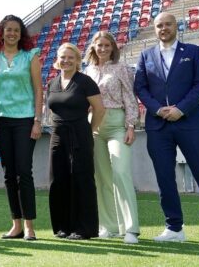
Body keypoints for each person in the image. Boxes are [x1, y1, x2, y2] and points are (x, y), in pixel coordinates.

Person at [134, 12, 199, 242]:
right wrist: (158, 109)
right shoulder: (146, 55)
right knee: (164, 177)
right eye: (159, 25)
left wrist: (181, 109)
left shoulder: (193, 52)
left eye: (168, 24)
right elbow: (140, 88)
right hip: (158, 126)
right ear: (155, 29)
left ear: (176, 26)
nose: (163, 28)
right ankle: (174, 228)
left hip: (189, 122)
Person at [0, 15, 42, 241]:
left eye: (16, 30)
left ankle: (29, 226)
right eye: (8, 29)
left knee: (24, 172)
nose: (12, 33)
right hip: (0, 121)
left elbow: (38, 90)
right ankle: (15, 225)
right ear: (2, 32)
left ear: (21, 33)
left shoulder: (30, 56)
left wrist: (37, 120)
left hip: (25, 119)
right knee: (9, 174)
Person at [84, 31, 140, 244]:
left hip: (117, 123)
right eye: (99, 45)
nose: (103, 49)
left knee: (121, 172)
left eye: (107, 45)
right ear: (93, 48)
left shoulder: (122, 68)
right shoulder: (87, 71)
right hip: (93, 125)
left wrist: (131, 126)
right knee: (102, 178)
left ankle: (131, 229)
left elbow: (129, 98)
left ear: (113, 47)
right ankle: (108, 226)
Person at [46, 42, 105, 240]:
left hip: (80, 134)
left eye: (71, 57)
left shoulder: (85, 81)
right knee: (58, 180)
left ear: (78, 60)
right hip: (57, 135)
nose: (66, 60)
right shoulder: (52, 83)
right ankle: (63, 227)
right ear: (57, 60)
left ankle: (84, 229)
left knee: (82, 180)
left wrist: (89, 130)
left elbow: (99, 109)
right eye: (63, 57)